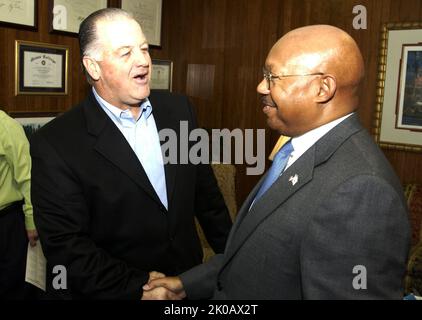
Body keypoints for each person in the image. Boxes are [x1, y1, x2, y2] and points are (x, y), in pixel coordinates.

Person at [144, 25, 411, 300]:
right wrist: (186, 284)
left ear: (323, 88)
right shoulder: (297, 150)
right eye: (264, 76)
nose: (261, 86)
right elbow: (254, 254)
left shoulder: (362, 192)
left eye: (273, 77)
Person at [30, 8, 232, 300]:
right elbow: (66, 245)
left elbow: (207, 197)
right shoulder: (55, 144)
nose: (143, 61)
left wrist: (234, 259)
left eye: (144, 49)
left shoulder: (180, 111)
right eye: (125, 53)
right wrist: (137, 286)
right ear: (93, 67)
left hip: (190, 282)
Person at [0, 110, 38, 299]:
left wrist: (31, 220)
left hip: (6, 223)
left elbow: (28, 177)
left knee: (11, 286)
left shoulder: (6, 126)